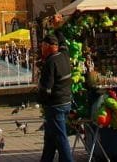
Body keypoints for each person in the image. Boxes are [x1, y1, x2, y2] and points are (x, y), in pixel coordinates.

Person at [37, 34, 73, 162]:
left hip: (55, 105)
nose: (41, 49)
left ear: (47, 47)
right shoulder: (64, 55)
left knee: (61, 138)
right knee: (50, 139)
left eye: (42, 46)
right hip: (66, 101)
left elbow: (46, 88)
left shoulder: (50, 62)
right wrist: (58, 27)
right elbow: (63, 42)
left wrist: (41, 100)